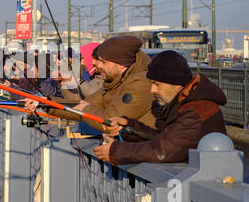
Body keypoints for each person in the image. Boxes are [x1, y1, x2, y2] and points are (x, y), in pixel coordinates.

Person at [94, 50, 227, 165]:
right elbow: (163, 139)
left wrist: (116, 151)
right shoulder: (184, 103)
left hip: (201, 185)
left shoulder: (195, 110)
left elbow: (163, 150)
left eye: (157, 84)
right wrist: (128, 127)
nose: (152, 90)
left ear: (176, 84)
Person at [24, 36, 156, 131]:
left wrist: (85, 108)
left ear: (121, 65)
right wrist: (46, 102)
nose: (96, 65)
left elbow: (111, 120)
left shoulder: (141, 83)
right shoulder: (113, 81)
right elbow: (81, 105)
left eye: (104, 62)